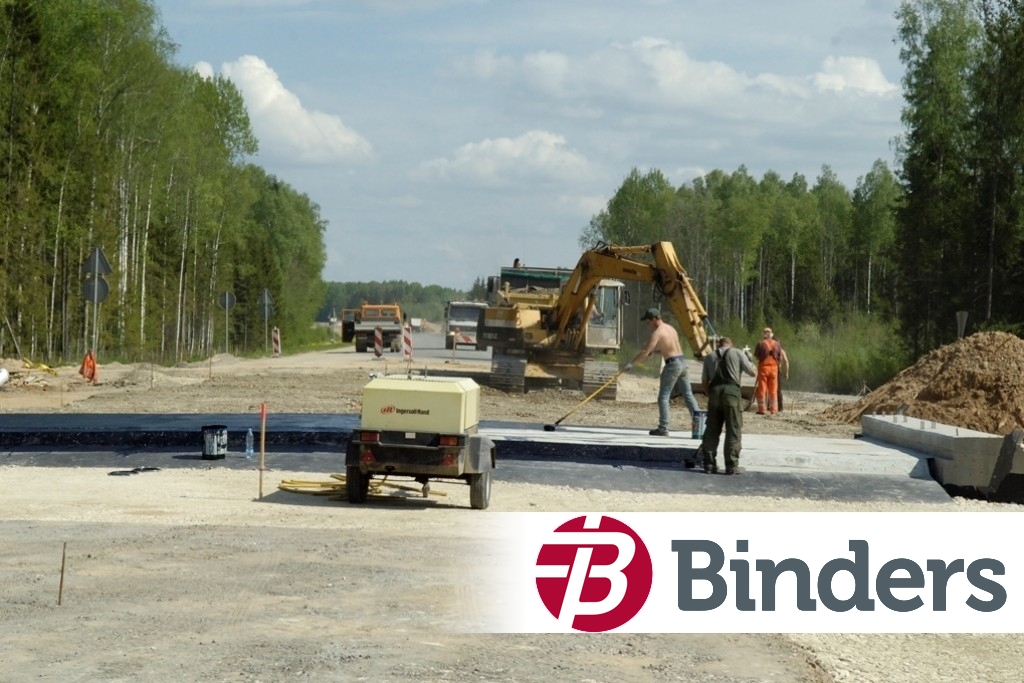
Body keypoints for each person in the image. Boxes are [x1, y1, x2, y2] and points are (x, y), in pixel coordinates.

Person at [623, 307, 699, 436]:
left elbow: (645, 352)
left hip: (672, 365)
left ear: (654, 319)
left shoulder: (657, 333)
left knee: (663, 397)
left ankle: (663, 427)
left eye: (648, 322)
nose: (648, 325)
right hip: (682, 362)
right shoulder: (671, 329)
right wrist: (657, 352)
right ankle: (700, 423)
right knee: (688, 395)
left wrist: (630, 364)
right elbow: (670, 348)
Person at [698, 336, 756, 474]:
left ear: (719, 345)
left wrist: (711, 395)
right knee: (733, 429)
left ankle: (709, 464)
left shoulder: (709, 357)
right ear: (731, 344)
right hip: (732, 393)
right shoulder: (738, 353)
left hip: (715, 393)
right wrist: (750, 360)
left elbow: (704, 382)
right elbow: (753, 372)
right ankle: (731, 465)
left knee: (712, 429)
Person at [753, 326, 783, 414]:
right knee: (773, 389)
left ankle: (762, 409)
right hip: (774, 369)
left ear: (764, 334)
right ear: (772, 334)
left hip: (763, 368)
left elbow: (757, 356)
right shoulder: (777, 344)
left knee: (762, 389)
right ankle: (774, 409)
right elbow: (780, 357)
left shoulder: (760, 344)